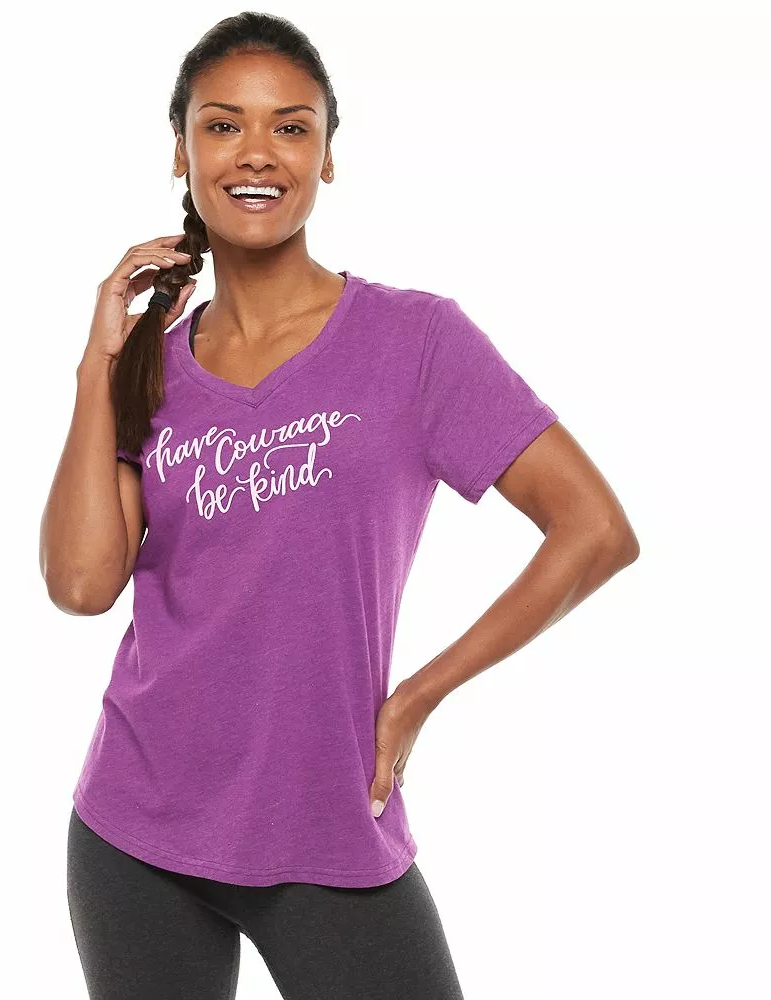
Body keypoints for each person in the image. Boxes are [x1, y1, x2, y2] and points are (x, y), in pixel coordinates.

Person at [39, 13, 640, 1000]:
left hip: (328, 821)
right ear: (181, 151)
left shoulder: (416, 341)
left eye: (291, 126)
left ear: (326, 156)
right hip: (135, 830)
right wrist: (95, 366)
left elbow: (595, 531)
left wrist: (417, 696)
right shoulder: (153, 366)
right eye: (223, 125)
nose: (257, 152)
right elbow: (79, 583)